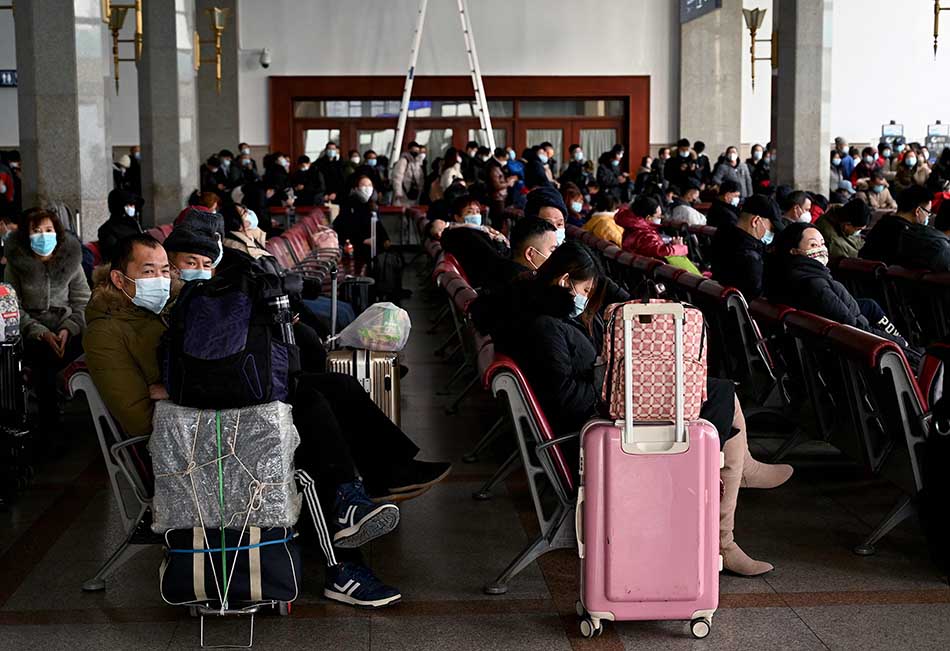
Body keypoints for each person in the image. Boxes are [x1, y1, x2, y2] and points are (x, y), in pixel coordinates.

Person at [83, 234, 448, 608]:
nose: (161, 278)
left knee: (332, 387)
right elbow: (137, 416)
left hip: (205, 415)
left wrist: (189, 384)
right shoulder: (106, 332)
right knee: (303, 438)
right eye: (148, 271)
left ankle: (379, 477)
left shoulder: (167, 308)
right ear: (118, 278)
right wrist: (185, 389)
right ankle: (342, 566)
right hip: (183, 445)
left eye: (164, 269)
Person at [471, 240, 789, 576]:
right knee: (716, 393)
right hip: (593, 434)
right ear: (565, 280)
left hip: (594, 420)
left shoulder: (537, 311)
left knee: (714, 391)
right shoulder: (546, 327)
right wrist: (608, 373)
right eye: (585, 288)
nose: (587, 297)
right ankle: (725, 533)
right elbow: (566, 398)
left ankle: (740, 475)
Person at [4, 208, 90, 437]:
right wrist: (39, 331)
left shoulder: (72, 260)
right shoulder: (16, 263)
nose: (43, 235)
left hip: (69, 329)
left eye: (48, 230)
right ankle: (50, 430)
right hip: (31, 332)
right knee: (44, 360)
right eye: (36, 231)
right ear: (25, 234)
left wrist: (68, 328)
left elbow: (83, 301)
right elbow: (13, 306)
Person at [768, 223, 914, 348]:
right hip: (844, 346)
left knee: (869, 305)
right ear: (794, 251)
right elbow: (855, 328)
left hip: (825, 336)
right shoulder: (815, 284)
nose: (820, 249)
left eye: (822, 243)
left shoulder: (788, 272)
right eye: (813, 245)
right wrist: (899, 343)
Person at [861, 185, 950, 271]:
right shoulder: (913, 236)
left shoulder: (881, 225)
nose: (928, 216)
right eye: (928, 212)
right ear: (918, 211)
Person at [710, 195, 776, 299]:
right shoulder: (750, 257)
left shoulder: (722, 238)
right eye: (771, 229)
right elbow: (756, 296)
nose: (772, 233)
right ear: (756, 221)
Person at [615, 195, 689, 260]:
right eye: (659, 216)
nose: (661, 218)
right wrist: (679, 247)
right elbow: (659, 252)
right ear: (648, 218)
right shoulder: (645, 234)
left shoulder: (633, 227)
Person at [334, 175, 389, 261]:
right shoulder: (349, 204)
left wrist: (385, 238)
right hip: (354, 244)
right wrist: (362, 241)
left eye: (370, 185)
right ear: (356, 188)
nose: (367, 188)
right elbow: (344, 228)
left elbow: (377, 224)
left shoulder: (372, 206)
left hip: (371, 244)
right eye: (363, 185)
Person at [98, 189, 144, 263]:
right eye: (130, 205)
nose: (133, 208)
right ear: (120, 207)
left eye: (133, 205)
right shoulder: (106, 229)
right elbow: (113, 254)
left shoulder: (133, 224)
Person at [391, 141, 426, 206]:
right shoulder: (403, 161)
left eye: (417, 151)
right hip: (403, 194)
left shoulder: (417, 163)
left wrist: (420, 191)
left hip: (414, 194)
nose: (416, 152)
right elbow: (397, 177)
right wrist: (398, 192)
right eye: (414, 150)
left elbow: (420, 179)